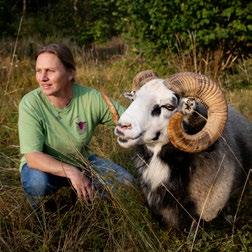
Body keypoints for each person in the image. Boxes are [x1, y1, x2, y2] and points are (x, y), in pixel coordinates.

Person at [18, 43, 133, 208]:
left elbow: (129, 122)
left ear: (70, 73)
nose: (42, 78)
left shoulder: (90, 97)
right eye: (38, 70)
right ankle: (42, 211)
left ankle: (88, 198)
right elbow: (33, 157)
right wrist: (72, 172)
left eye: (50, 71)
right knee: (37, 182)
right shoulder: (31, 103)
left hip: (82, 162)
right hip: (43, 168)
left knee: (127, 184)